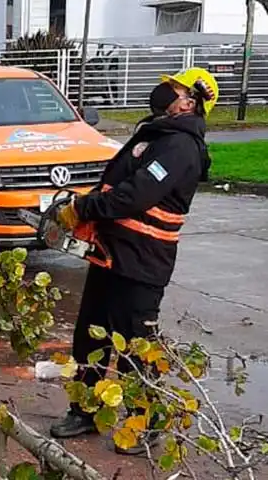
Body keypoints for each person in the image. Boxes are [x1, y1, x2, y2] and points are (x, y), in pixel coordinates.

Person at [48, 67, 218, 453]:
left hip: (142, 262)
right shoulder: (157, 135)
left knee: (134, 348)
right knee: (90, 336)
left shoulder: (180, 147)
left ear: (190, 102)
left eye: (173, 88)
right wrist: (89, 211)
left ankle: (145, 423)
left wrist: (83, 207)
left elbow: (136, 195)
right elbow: (117, 182)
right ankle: (85, 410)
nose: (163, 91)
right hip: (111, 254)